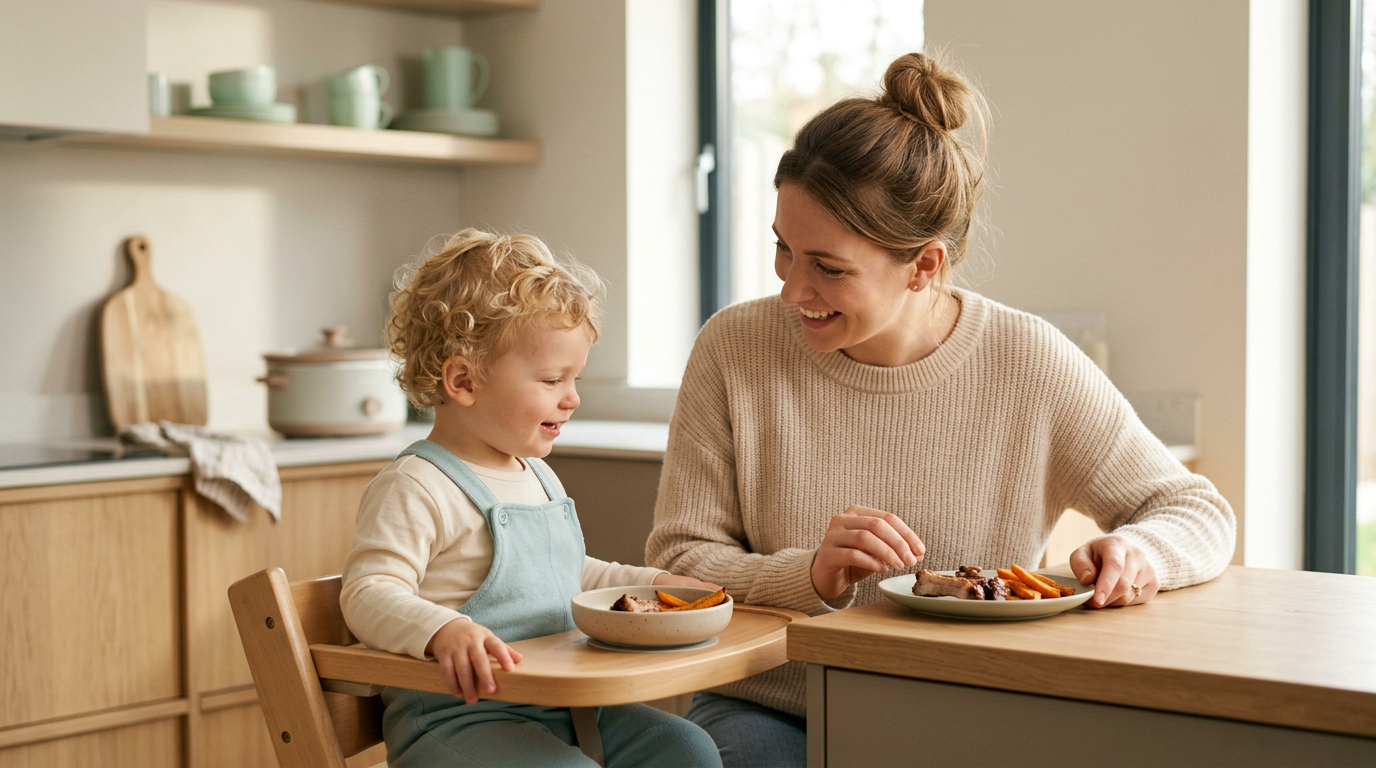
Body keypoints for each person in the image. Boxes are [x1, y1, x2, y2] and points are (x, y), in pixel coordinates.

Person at [645, 52, 1236, 767]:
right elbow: (677, 562)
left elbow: (1195, 509)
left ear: (924, 265)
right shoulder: (734, 348)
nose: (792, 289)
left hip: (969, 710)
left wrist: (1141, 552)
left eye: (828, 267)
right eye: (782, 249)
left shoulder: (1028, 360)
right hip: (770, 708)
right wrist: (810, 575)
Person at [341, 229, 723, 768]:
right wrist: (442, 630)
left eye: (575, 377)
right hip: (461, 721)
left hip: (565, 710)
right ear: (463, 381)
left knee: (686, 748)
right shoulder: (416, 484)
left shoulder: (538, 474)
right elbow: (368, 591)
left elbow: (569, 571)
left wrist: (654, 585)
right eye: (551, 379)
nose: (573, 397)